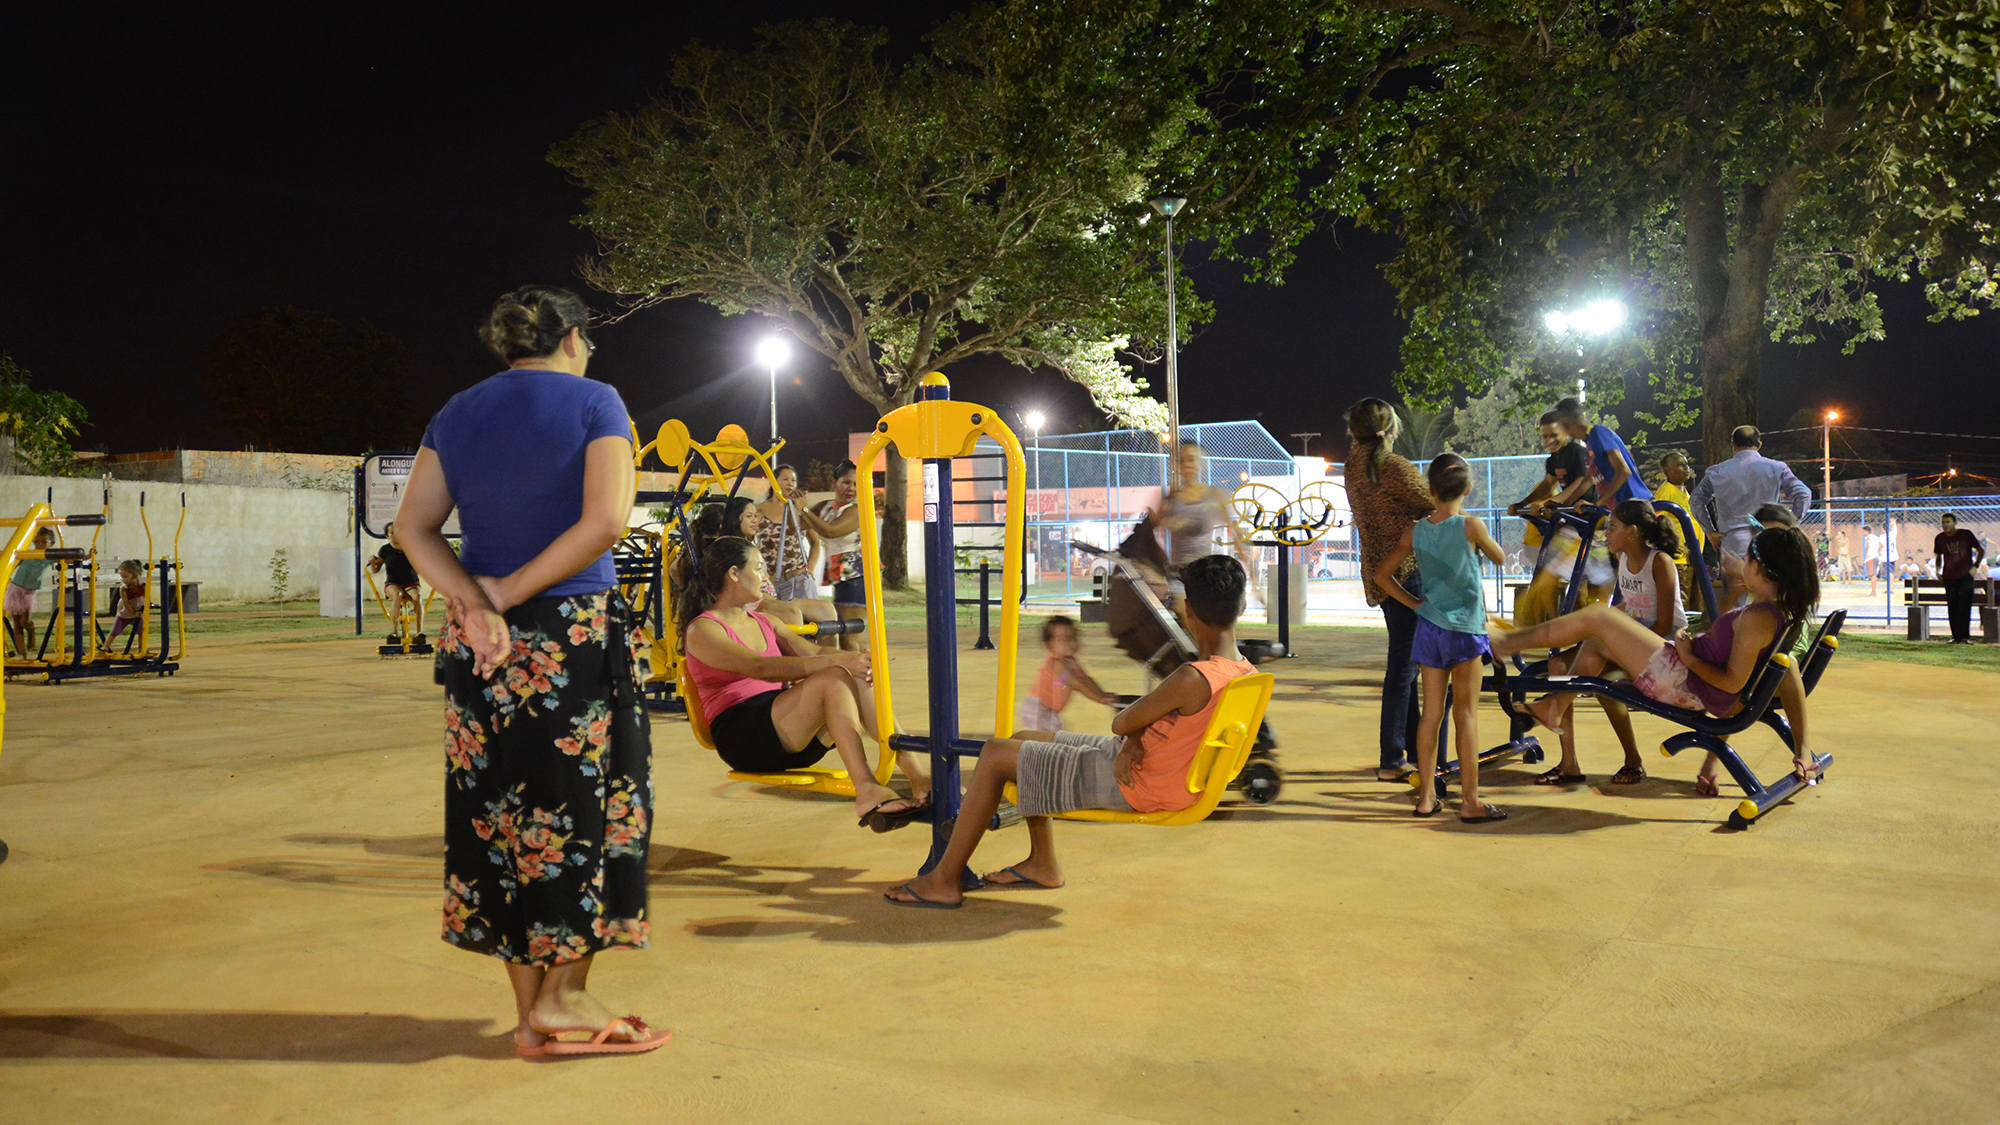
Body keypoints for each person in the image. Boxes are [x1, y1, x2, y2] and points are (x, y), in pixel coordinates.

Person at [395, 285, 667, 1058]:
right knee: (597, 808)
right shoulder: (596, 401)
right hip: (570, 638)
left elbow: (411, 526)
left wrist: (474, 606)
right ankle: (567, 995)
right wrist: (509, 596)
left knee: (503, 815)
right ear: (573, 338)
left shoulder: (458, 409)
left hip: (481, 646)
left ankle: (532, 1012)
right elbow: (606, 521)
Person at [883, 555, 1254, 906]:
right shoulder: (1244, 673)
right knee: (1021, 741)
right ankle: (1042, 862)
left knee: (995, 754)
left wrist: (1132, 735)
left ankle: (944, 879)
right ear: (1240, 609)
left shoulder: (1192, 677)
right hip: (1152, 767)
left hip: (1137, 782)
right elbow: (1153, 725)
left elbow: (1122, 721)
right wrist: (1134, 739)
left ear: (1188, 611)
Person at [1493, 526, 1820, 796]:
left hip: (1682, 681)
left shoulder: (1757, 620)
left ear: (1759, 569)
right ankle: (1554, 707)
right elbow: (1787, 670)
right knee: (1595, 642)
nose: (1742, 563)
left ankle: (1506, 643)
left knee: (1597, 618)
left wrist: (1690, 657)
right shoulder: (1778, 614)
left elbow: (1732, 684)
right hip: (1684, 672)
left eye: (1747, 559)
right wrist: (1802, 748)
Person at [677, 535, 927, 824]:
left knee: (854, 674)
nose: (765, 576)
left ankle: (918, 777)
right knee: (833, 675)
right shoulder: (703, 630)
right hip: (742, 735)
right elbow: (760, 668)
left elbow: (814, 652)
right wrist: (838, 661)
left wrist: (857, 659)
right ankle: (867, 788)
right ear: (734, 573)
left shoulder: (765, 621)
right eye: (758, 568)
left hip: (784, 727)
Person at [1374, 454, 1508, 822]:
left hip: (1429, 628)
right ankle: (1470, 801)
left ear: (1430, 490)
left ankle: (1426, 796)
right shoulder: (1471, 526)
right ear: (1467, 488)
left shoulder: (1415, 531)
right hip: (1465, 629)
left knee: (1430, 715)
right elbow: (1499, 557)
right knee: (1465, 715)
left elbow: (1382, 576)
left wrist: (1416, 604)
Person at [1531, 501, 1686, 788]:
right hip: (1632, 643)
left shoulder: (1659, 562)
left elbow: (1664, 624)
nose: (1606, 534)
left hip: (1664, 650)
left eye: (1612, 527)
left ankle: (1557, 710)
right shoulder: (1625, 560)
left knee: (1600, 665)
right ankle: (1569, 763)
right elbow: (1631, 604)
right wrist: (1602, 624)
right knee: (1558, 664)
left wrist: (1615, 637)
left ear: (1633, 532)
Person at [1342, 399, 1435, 782]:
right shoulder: (1392, 466)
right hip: (1408, 569)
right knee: (1403, 667)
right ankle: (1392, 757)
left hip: (1380, 574)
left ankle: (1410, 748)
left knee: (1405, 663)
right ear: (1391, 428)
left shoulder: (1353, 466)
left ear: (1354, 432)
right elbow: (1433, 504)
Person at [1688, 426, 1812, 604]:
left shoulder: (1717, 471)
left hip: (1731, 542)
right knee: (1770, 598)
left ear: (1733, 445)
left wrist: (1709, 530)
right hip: (1768, 541)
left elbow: (1696, 500)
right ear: (1759, 444)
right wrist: (1789, 525)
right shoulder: (1777, 468)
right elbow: (1804, 494)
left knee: (1734, 601)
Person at [1506, 411, 1600, 629]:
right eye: (1545, 436)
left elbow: (1581, 482)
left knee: (1579, 579)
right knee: (1552, 573)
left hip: (1585, 520)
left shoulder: (1576, 452)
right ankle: (1555, 625)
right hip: (1569, 520)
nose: (1549, 441)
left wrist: (1554, 502)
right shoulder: (1554, 459)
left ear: (1566, 431)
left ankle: (1577, 629)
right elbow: (1547, 484)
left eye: (1554, 435)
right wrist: (1523, 503)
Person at [693, 497, 835, 633]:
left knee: (826, 609)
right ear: (736, 518)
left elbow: (764, 579)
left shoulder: (750, 545)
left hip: (771, 596)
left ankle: (830, 655)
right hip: (751, 602)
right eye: (749, 516)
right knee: (791, 613)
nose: (755, 521)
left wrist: (788, 575)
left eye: (756, 516)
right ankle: (795, 655)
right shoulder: (727, 547)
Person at [798, 460, 867, 651]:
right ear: (834, 483)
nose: (851, 488)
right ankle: (858, 675)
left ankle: (859, 677)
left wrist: (804, 510)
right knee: (844, 635)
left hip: (856, 576)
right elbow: (796, 527)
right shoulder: (825, 506)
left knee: (848, 637)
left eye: (855, 483)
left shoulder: (855, 510)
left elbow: (830, 531)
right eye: (846, 482)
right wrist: (792, 503)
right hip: (841, 576)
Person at [1019, 615, 1116, 732]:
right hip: (1037, 708)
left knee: (1056, 733)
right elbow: (1077, 684)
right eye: (1062, 639)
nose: (1069, 643)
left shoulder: (1072, 662)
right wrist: (1099, 699)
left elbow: (1086, 680)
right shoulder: (1056, 664)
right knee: (1052, 736)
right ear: (1049, 645)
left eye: (1072, 638)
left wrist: (1102, 694)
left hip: (1049, 710)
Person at [1552, 397, 1651, 506]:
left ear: (1566, 422)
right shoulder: (1589, 444)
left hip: (1635, 503)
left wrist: (1597, 504)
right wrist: (1565, 504)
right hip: (1622, 508)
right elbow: (1588, 480)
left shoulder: (1598, 433)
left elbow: (1623, 471)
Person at [1157, 440, 1233, 577]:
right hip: (1180, 573)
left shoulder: (1215, 495)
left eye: (1191, 460)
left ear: (1200, 463)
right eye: (1181, 461)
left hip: (1207, 573)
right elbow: (1154, 524)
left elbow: (1234, 529)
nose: (1186, 465)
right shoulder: (1171, 499)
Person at [754, 463, 818, 602]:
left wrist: (810, 568)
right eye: (785, 479)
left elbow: (816, 542)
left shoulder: (799, 510)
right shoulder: (759, 510)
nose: (790, 483)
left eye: (793, 480)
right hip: (770, 580)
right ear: (773, 481)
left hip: (796, 579)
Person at [1931, 513, 1986, 644]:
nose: (1945, 525)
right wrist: (1938, 570)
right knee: (1952, 607)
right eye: (1943, 522)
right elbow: (1939, 556)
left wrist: (1975, 566)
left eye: (1948, 522)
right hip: (1949, 576)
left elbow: (1980, 550)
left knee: (1965, 606)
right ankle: (1956, 637)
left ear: (1955, 523)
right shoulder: (1940, 538)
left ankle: (1965, 637)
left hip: (1965, 575)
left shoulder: (1965, 534)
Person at [367, 521, 424, 640]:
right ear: (387, 536)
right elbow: (376, 570)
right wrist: (373, 563)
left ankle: (419, 632)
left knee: (417, 596)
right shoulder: (385, 550)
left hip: (411, 582)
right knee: (397, 595)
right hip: (393, 583)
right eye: (392, 532)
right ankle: (393, 632)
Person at [5, 527, 57, 657]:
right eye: (36, 542)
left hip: (28, 591)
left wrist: (85, 556)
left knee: (24, 621)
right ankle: (23, 655)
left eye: (43, 542)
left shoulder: (49, 556)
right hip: (15, 588)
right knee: (16, 623)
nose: (39, 545)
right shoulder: (27, 554)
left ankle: (31, 631)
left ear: (51, 543)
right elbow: (13, 563)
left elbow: (68, 558)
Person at [105, 559, 148, 648]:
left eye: (125, 577)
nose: (123, 580)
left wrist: (142, 610)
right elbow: (126, 602)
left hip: (138, 613)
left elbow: (147, 598)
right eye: (122, 577)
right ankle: (105, 647)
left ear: (135, 576)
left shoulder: (143, 586)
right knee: (114, 631)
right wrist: (133, 612)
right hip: (124, 614)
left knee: (141, 631)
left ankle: (142, 648)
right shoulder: (124, 588)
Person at [1863, 522, 1886, 596]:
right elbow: (1881, 545)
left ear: (1867, 532)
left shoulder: (1867, 538)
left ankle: (1873, 592)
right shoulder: (1876, 537)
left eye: (1864, 531)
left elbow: (1867, 546)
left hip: (1871, 557)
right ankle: (1874, 591)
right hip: (1876, 557)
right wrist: (1878, 552)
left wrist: (1866, 555)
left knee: (1872, 575)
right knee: (1874, 574)